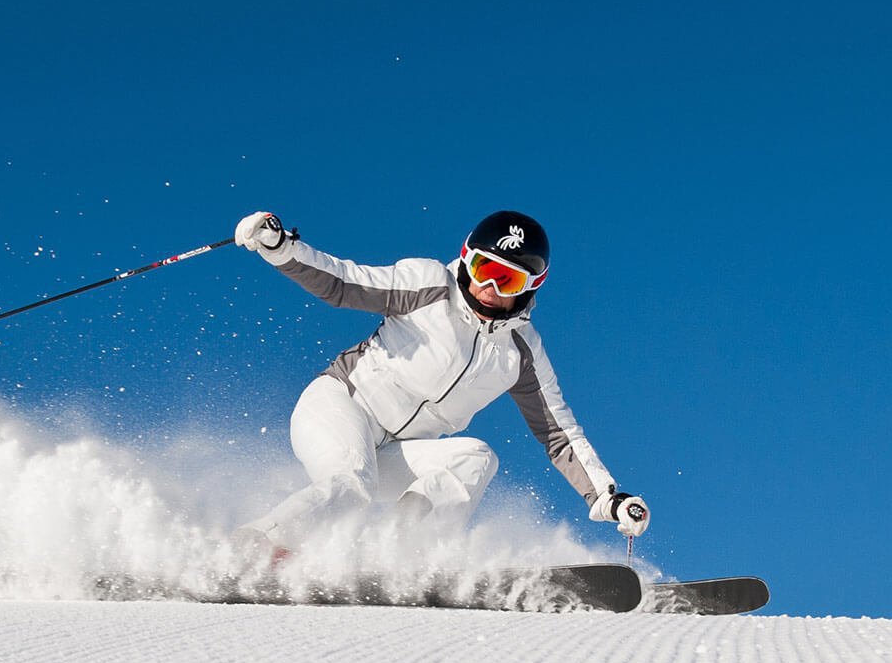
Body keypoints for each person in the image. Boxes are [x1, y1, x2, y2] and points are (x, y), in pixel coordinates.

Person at [230, 209, 648, 558]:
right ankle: (257, 549)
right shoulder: (428, 286)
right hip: (341, 406)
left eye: (508, 281)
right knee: (354, 485)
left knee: (477, 458)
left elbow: (559, 434)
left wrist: (607, 498)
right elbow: (343, 282)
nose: (488, 288)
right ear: (466, 259)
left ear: (530, 288)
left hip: (394, 452)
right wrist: (282, 249)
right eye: (484, 269)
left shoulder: (520, 353)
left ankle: (389, 554)